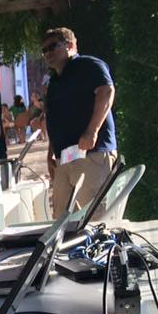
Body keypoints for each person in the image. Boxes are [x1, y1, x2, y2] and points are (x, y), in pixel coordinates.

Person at [42, 26, 118, 217]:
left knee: (95, 220)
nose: (48, 53)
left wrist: (92, 130)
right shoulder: (54, 82)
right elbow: (54, 118)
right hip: (64, 159)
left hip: (92, 154)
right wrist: (51, 152)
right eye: (44, 50)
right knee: (61, 221)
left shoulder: (89, 65)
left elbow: (106, 91)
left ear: (70, 45)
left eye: (52, 47)